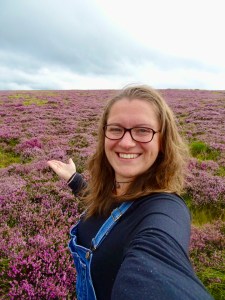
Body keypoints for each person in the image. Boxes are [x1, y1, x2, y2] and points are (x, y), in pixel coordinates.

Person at [47, 85, 213, 300]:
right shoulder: (113, 191)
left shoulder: (165, 210)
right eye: (116, 129)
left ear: (162, 141)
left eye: (143, 130)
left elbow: (159, 267)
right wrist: (75, 180)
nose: (126, 143)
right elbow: (108, 209)